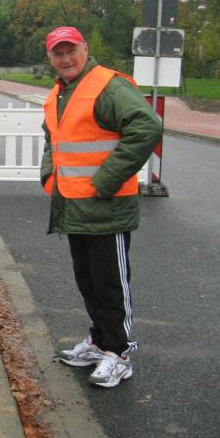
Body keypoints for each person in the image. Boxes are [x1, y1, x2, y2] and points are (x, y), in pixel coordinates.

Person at [40, 26, 161, 388]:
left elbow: (146, 128)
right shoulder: (60, 93)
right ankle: (99, 341)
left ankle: (118, 354)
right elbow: (52, 138)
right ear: (50, 58)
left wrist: (106, 180)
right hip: (74, 206)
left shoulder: (108, 85)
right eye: (58, 53)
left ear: (85, 49)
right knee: (88, 281)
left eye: (71, 50)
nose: (66, 58)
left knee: (110, 285)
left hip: (107, 208)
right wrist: (49, 174)